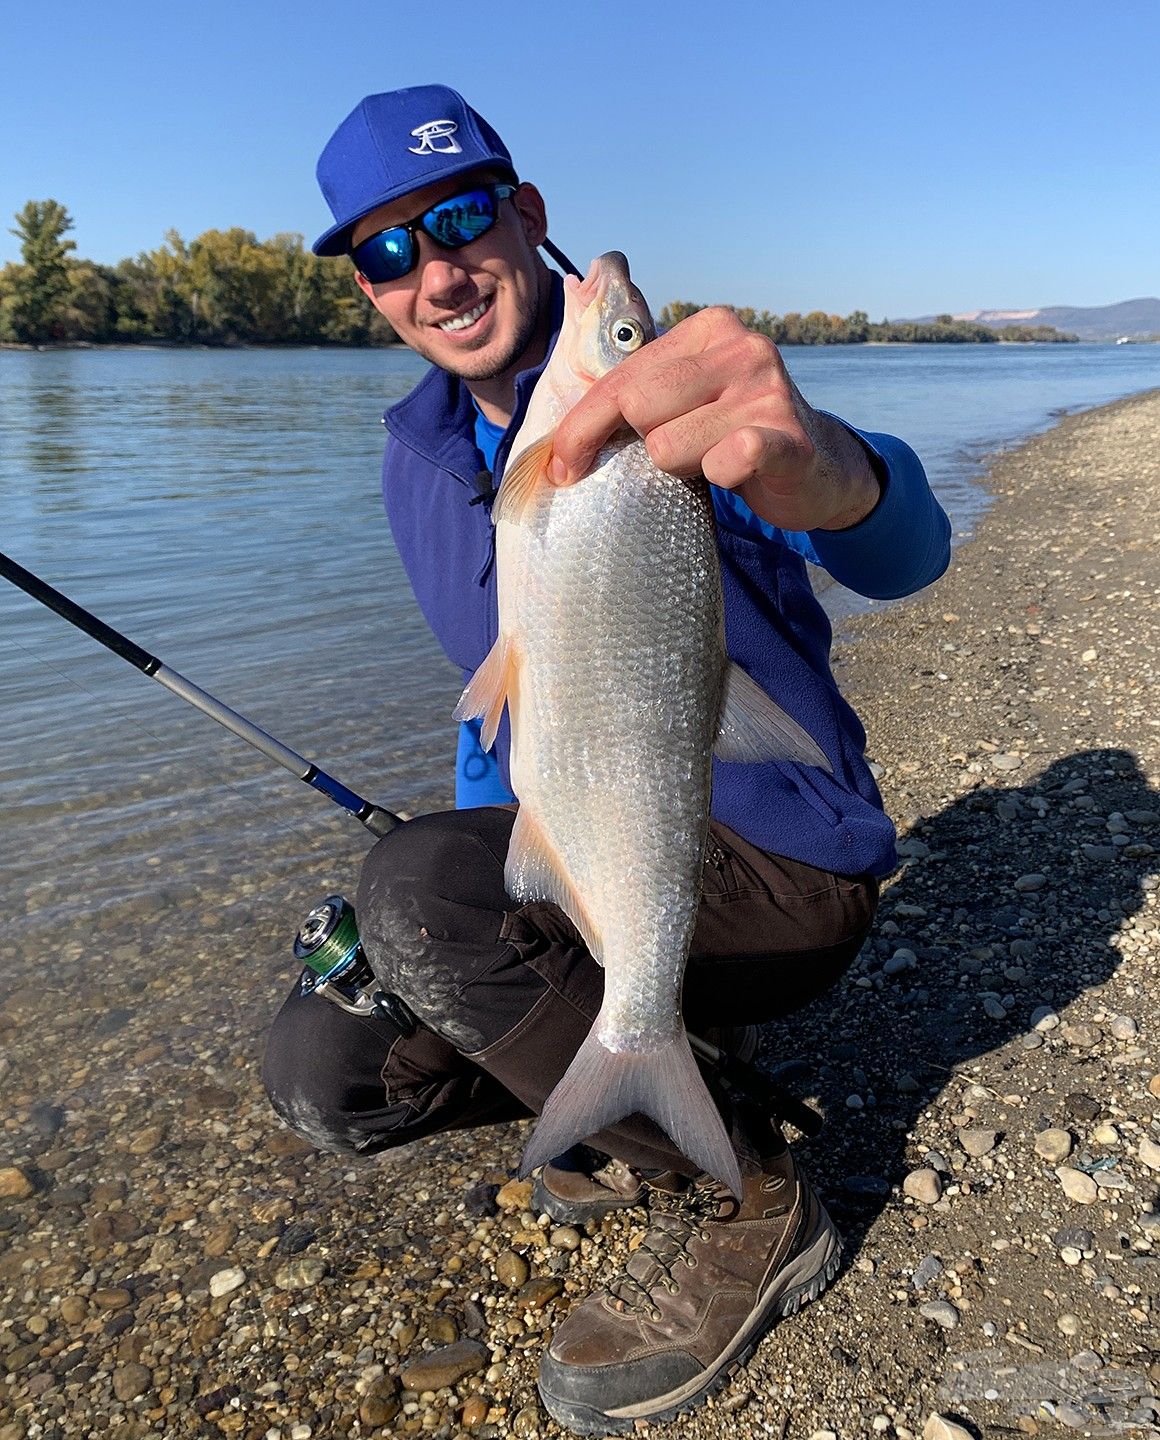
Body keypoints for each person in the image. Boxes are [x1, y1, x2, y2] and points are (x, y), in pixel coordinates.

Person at [262, 84, 951, 1435]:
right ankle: (629, 1069)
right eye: (387, 251)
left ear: (525, 216)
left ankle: (754, 1199)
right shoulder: (414, 453)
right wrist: (448, 907)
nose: (435, 272)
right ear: (365, 285)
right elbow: (502, 710)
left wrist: (834, 469)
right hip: (594, 843)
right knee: (324, 1070)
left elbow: (908, 551)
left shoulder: (678, 390)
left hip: (784, 865)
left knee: (421, 898)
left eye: (457, 219)